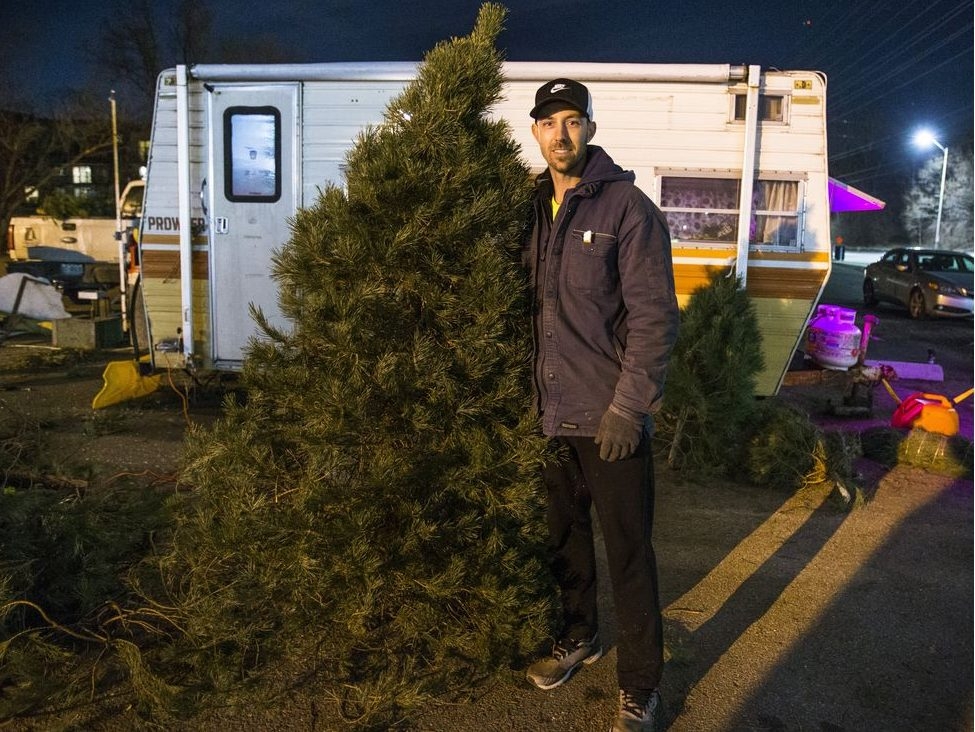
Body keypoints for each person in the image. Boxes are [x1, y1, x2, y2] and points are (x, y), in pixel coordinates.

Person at [522, 78, 679, 732]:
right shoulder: (529, 208)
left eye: (572, 120)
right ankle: (578, 634)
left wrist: (628, 408)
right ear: (534, 131)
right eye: (548, 121)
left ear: (588, 127)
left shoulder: (627, 210)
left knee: (628, 553)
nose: (560, 134)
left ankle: (640, 685)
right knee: (564, 537)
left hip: (608, 418)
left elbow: (654, 319)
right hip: (548, 413)